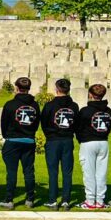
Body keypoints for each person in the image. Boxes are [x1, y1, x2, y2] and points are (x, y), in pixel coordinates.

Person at [0, 77, 40, 209]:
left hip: (13, 140)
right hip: (28, 140)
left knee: (11, 171)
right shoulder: (35, 105)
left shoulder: (10, 105)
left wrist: (7, 136)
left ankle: (9, 200)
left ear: (16, 88)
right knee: (28, 171)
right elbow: (36, 122)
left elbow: (4, 123)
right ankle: (30, 199)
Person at [40, 78, 79, 210]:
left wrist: (50, 134)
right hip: (67, 140)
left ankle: (53, 200)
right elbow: (76, 124)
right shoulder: (74, 106)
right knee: (67, 171)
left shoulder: (49, 106)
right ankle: (66, 200)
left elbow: (44, 123)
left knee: (53, 171)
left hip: (53, 141)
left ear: (56, 89)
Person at [76, 83, 111, 209]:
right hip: (103, 142)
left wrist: (81, 139)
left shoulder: (85, 111)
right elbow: (108, 127)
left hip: (88, 143)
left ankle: (90, 200)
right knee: (101, 173)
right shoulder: (108, 111)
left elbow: (79, 128)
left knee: (89, 173)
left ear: (90, 95)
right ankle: (100, 201)